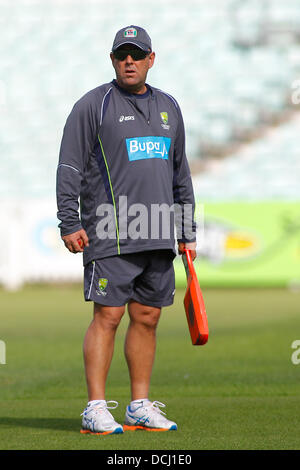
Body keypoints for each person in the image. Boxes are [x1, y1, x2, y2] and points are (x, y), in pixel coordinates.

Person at [56, 25, 197, 435]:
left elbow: (180, 173)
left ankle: (139, 405)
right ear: (113, 59)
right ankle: (95, 407)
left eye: (137, 54)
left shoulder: (170, 106)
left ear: (151, 59)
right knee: (109, 315)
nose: (129, 61)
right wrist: (70, 220)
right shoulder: (93, 105)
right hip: (110, 231)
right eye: (122, 55)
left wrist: (186, 229)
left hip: (157, 231)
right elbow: (69, 166)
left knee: (148, 316)